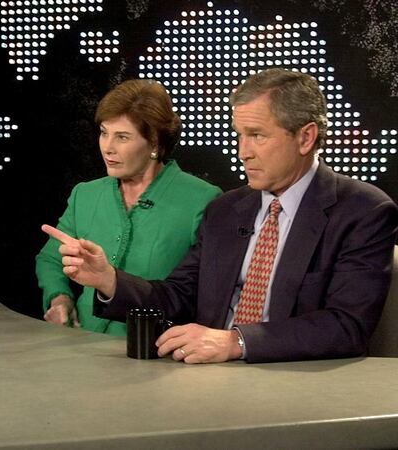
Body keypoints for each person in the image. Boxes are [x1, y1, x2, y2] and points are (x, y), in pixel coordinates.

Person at [43, 68, 398, 363]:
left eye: (257, 136)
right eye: (239, 136)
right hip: (201, 378)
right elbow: (176, 297)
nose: (243, 152)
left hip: (293, 384)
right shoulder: (227, 210)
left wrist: (236, 341)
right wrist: (108, 280)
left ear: (305, 138)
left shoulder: (362, 211)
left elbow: (346, 326)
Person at [36, 79, 221, 336]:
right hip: (84, 347)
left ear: (154, 142)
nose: (107, 147)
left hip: (156, 352)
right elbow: (50, 259)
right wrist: (60, 298)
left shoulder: (202, 200)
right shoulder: (86, 194)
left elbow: (200, 294)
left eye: (122, 137)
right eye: (104, 132)